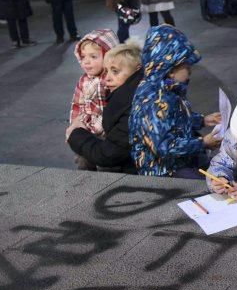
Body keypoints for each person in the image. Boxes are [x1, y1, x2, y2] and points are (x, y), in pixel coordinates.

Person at [129, 25, 221, 177]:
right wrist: (202, 143)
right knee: (207, 184)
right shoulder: (154, 100)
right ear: (170, 70)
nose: (190, 71)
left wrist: (202, 120)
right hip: (163, 169)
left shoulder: (168, 88)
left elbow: (175, 119)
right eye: (186, 66)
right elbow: (163, 147)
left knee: (221, 167)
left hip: (180, 159)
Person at [67, 39, 143, 173]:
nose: (107, 78)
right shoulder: (126, 93)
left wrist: (74, 134)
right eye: (106, 71)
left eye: (115, 71)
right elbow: (78, 105)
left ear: (136, 69)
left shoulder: (130, 105)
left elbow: (109, 154)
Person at [67, 29, 120, 169]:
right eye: (83, 57)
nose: (87, 62)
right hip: (88, 132)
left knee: (108, 167)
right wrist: (75, 128)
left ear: (110, 56)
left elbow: (118, 106)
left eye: (93, 57)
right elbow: (77, 105)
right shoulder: (83, 81)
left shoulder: (112, 79)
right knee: (83, 161)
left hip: (109, 136)